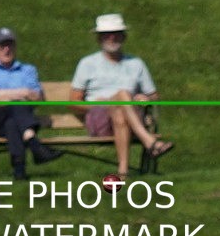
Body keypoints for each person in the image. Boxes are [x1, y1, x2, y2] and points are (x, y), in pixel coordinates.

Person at [69, 13, 174, 177]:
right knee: (123, 94)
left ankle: (122, 172)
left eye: (116, 34)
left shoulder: (136, 63)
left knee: (120, 109)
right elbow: (73, 103)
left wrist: (145, 98)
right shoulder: (87, 64)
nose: (112, 38)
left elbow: (154, 96)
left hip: (129, 117)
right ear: (99, 39)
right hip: (100, 119)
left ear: (124, 37)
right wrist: (99, 105)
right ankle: (149, 142)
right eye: (106, 35)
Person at [0, 27, 62, 180]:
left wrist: (9, 96)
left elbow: (37, 98)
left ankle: (19, 169)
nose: (6, 49)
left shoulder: (27, 70)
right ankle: (35, 145)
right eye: (2, 45)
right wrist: (22, 92)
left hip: (18, 122)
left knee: (12, 122)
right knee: (15, 105)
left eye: (10, 45)